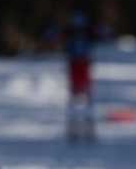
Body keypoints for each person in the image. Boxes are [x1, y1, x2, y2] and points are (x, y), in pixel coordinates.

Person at [45, 10, 110, 143]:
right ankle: (77, 127)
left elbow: (104, 33)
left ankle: (84, 126)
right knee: (78, 97)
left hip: (82, 64)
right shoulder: (73, 31)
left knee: (82, 96)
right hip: (76, 65)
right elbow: (52, 36)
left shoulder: (83, 31)